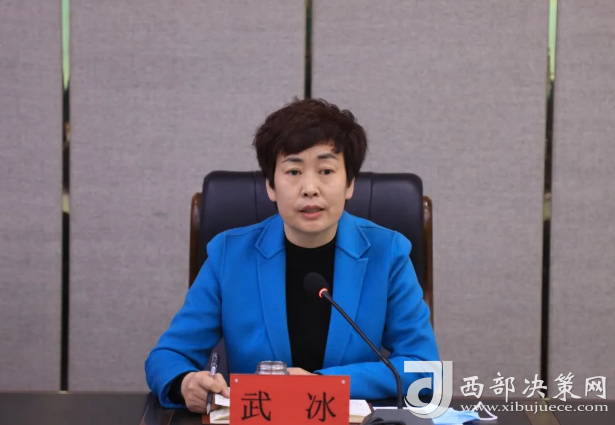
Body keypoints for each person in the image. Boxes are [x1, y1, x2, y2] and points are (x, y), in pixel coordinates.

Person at [145, 98, 440, 412]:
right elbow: (167, 357)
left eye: (326, 170)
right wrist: (185, 382)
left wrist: (321, 384)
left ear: (350, 184)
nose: (310, 188)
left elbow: (425, 370)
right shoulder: (228, 256)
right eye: (294, 171)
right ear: (271, 186)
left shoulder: (388, 254)